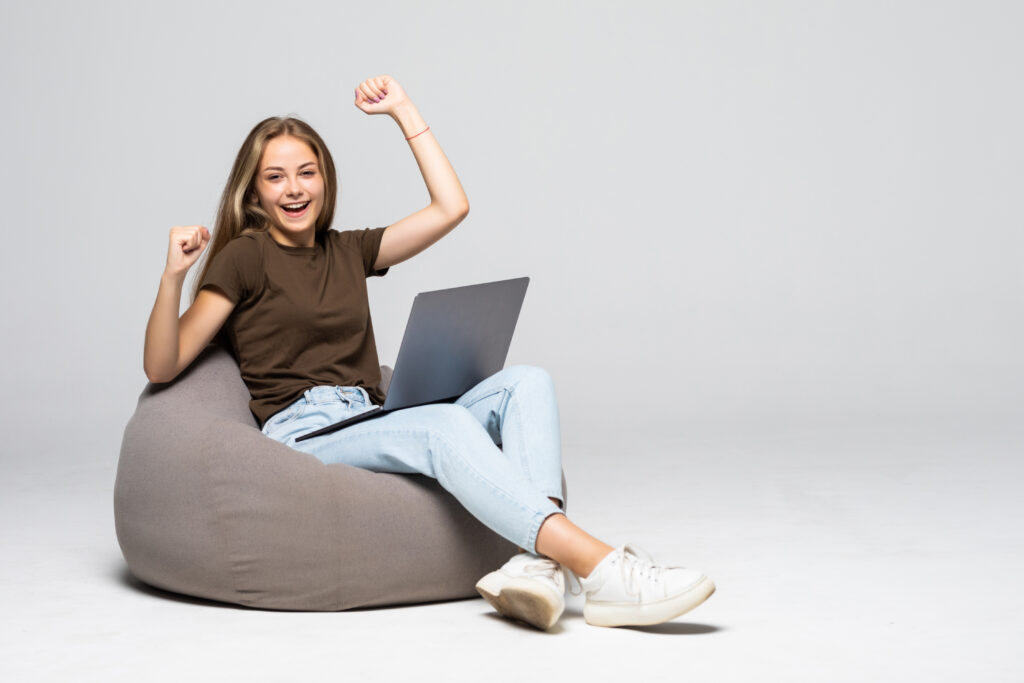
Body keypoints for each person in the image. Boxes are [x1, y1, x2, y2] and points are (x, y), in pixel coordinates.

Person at [143, 74, 715, 630]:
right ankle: (600, 568)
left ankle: (538, 564)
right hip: (307, 430)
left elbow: (451, 207)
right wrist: (173, 277)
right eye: (275, 177)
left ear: (325, 179)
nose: (294, 189)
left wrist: (404, 111)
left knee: (527, 381)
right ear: (254, 192)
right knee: (442, 425)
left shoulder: (350, 250)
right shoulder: (245, 256)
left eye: (306, 173)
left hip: (369, 414)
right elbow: (162, 366)